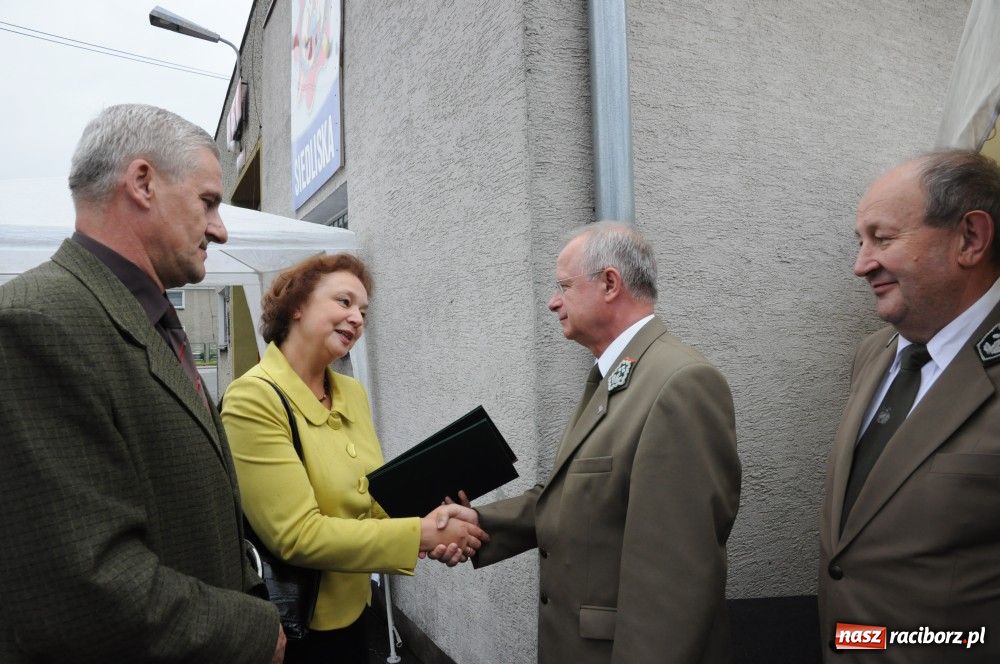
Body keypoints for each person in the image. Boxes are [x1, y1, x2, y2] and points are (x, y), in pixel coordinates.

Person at [0, 104, 285, 663]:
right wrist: (251, 631)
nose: (220, 228)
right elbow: (82, 590)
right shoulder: (37, 323)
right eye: (208, 201)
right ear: (142, 183)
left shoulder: (136, 314)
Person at [433, 222, 742, 663]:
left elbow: (676, 577)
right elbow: (577, 500)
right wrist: (479, 522)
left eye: (563, 286)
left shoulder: (680, 383)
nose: (553, 302)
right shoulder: (613, 376)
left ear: (610, 283)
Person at [221, 253, 488, 664]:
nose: (358, 319)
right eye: (344, 302)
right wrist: (419, 536)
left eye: (363, 310)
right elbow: (296, 536)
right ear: (296, 306)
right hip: (297, 630)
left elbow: (372, 500)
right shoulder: (252, 397)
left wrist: (435, 522)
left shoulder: (351, 392)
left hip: (358, 611)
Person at [819, 151, 1000, 662]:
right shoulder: (874, 357)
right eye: (860, 241)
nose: (860, 264)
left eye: (882, 237)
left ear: (970, 238)